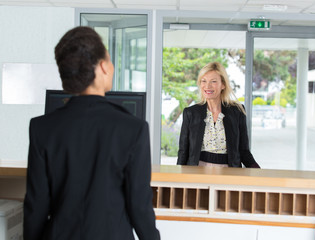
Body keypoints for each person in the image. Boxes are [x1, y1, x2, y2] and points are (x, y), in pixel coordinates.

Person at [23, 26, 160, 240]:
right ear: (103, 67)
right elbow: (139, 207)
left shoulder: (42, 128)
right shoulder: (133, 128)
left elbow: (36, 206)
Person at [177, 62, 260, 168]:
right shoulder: (190, 113)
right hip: (197, 172)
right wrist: (179, 178)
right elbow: (183, 152)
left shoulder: (237, 111)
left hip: (229, 173)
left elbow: (244, 151)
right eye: (204, 81)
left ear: (223, 85)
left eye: (213, 81)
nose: (207, 86)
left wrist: (258, 172)